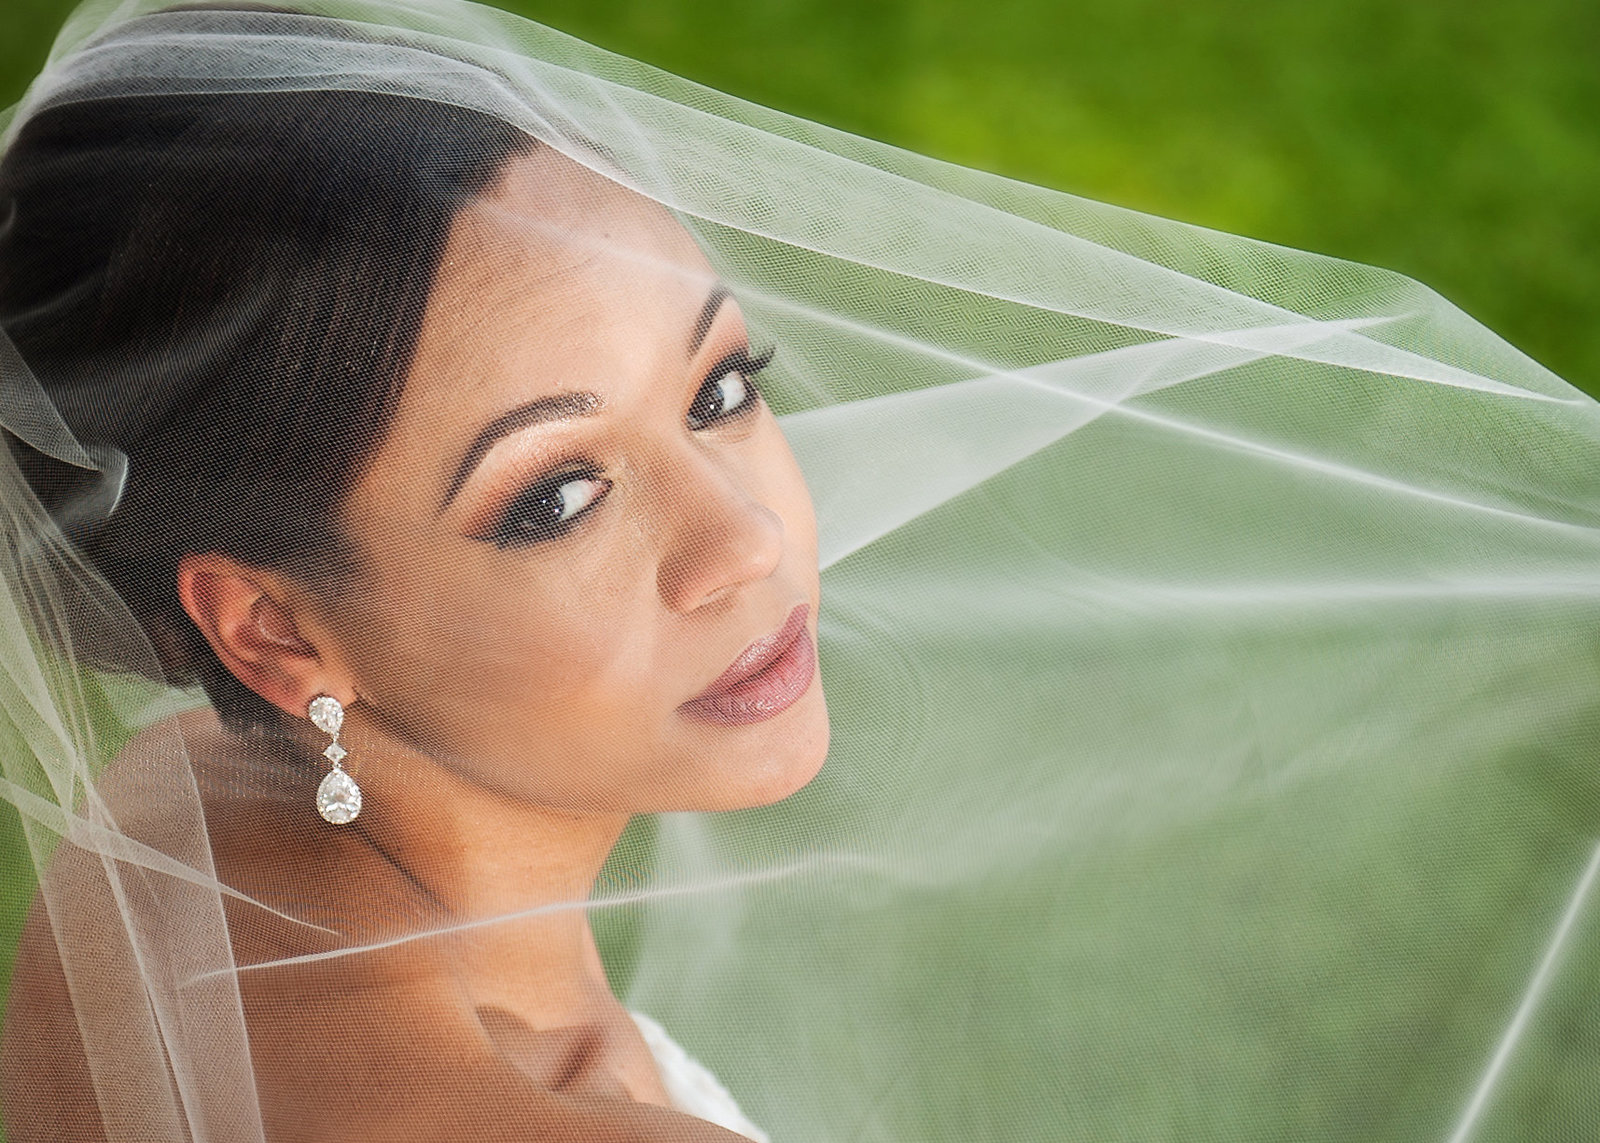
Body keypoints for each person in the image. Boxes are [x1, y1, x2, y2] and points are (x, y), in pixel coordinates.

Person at [1, 2, 1598, 1141]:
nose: (747, 539)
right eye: (557, 495)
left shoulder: (178, 826)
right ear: (271, 626)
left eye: (720, 387)